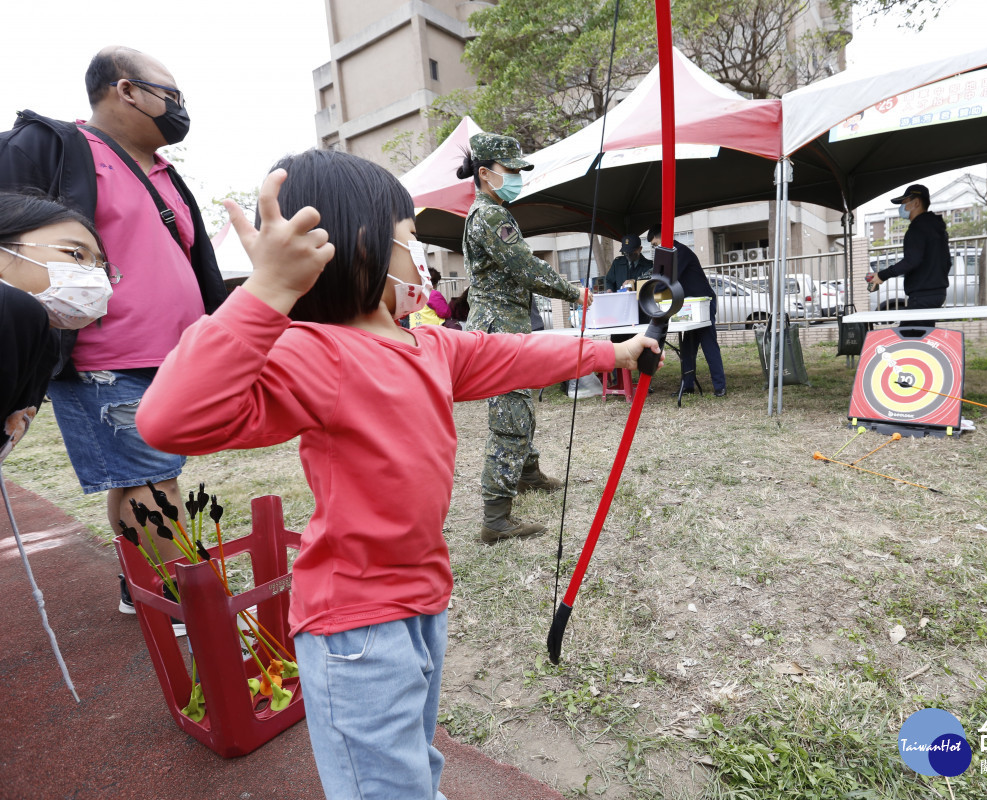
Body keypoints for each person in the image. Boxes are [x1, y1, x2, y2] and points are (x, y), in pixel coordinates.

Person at [136, 150, 659, 800]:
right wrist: (266, 291)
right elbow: (168, 419)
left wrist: (612, 351)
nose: (423, 261)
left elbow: (519, 352)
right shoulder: (314, 351)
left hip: (423, 600)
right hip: (354, 622)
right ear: (360, 246)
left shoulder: (429, 344)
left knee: (411, 765)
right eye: (410, 239)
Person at [0, 46, 225, 610]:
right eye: (170, 94)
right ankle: (187, 606)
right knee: (154, 480)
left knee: (139, 477)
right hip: (104, 359)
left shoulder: (167, 174)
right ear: (126, 90)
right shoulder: (56, 147)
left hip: (175, 356)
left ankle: (143, 590)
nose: (179, 107)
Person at [457, 132, 592, 543]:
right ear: (485, 173)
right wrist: (573, 292)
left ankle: (528, 474)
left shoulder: (488, 212)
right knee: (510, 419)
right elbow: (526, 267)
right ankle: (496, 519)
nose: (517, 177)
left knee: (521, 405)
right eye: (511, 170)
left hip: (506, 325)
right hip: (500, 329)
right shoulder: (490, 216)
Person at [0, 192, 111, 461]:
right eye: (76, 254)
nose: (96, 276)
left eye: (100, 266)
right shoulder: (14, 306)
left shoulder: (44, 335)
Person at [647, 224, 726, 396]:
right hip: (691, 304)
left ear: (663, 236)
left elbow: (666, 279)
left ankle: (720, 386)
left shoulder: (679, 253)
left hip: (703, 302)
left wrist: (649, 291)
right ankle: (688, 385)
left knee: (708, 343)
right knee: (688, 347)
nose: (655, 248)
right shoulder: (672, 253)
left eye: (655, 243)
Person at [868, 184, 950, 327]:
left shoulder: (917, 228)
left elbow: (911, 261)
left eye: (904, 202)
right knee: (921, 335)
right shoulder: (936, 228)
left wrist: (882, 275)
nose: (901, 207)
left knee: (908, 335)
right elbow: (947, 262)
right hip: (937, 293)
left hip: (922, 295)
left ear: (916, 203)